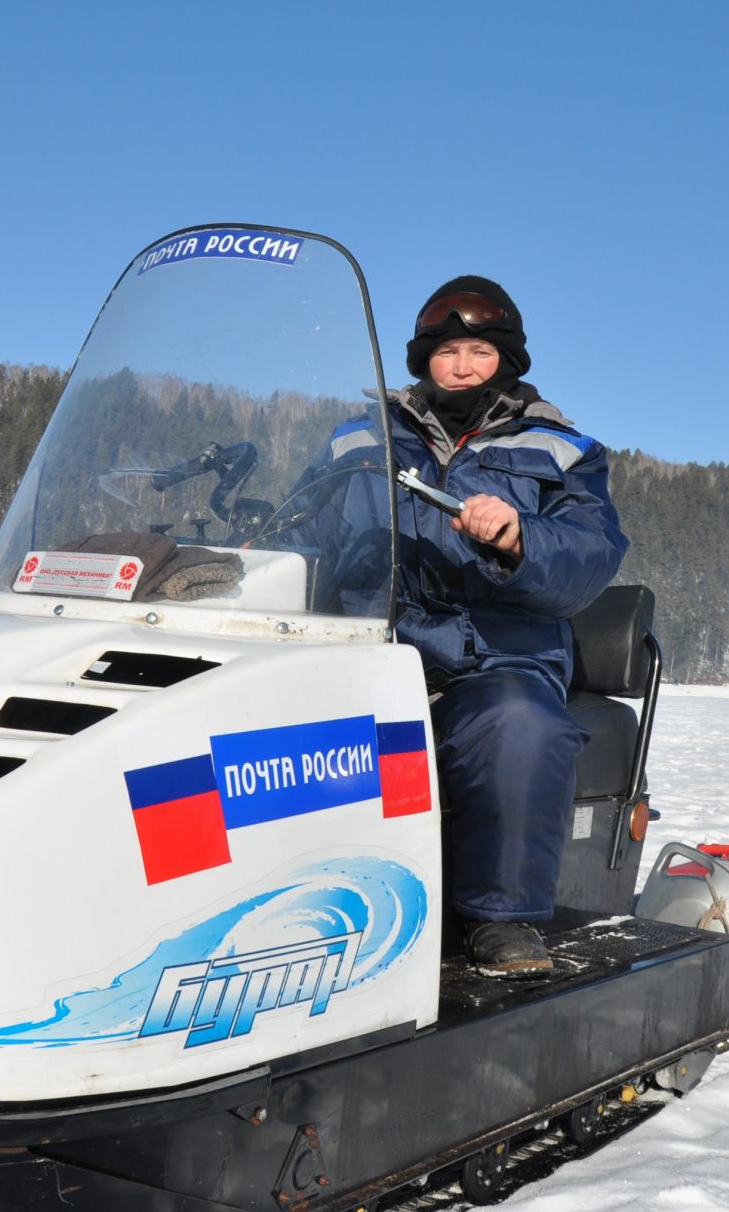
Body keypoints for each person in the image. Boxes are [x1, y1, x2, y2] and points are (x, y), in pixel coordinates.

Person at [295, 276, 627, 975]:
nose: (464, 364)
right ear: (423, 360)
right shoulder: (360, 437)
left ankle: (499, 921)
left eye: (480, 349)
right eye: (448, 350)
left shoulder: (560, 449)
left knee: (516, 724)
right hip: (374, 643)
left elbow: (592, 551)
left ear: (506, 359)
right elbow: (300, 525)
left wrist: (517, 536)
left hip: (500, 652)